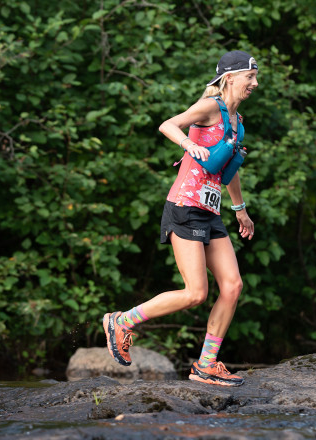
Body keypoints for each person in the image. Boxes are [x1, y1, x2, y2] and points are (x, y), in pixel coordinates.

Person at [103, 50, 258, 387]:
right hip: (185, 207)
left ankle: (206, 365)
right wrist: (190, 143)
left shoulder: (238, 123)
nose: (255, 83)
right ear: (230, 78)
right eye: (250, 76)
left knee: (232, 286)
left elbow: (228, 171)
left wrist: (240, 208)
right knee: (195, 293)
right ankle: (122, 321)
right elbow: (168, 124)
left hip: (210, 211)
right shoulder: (209, 108)